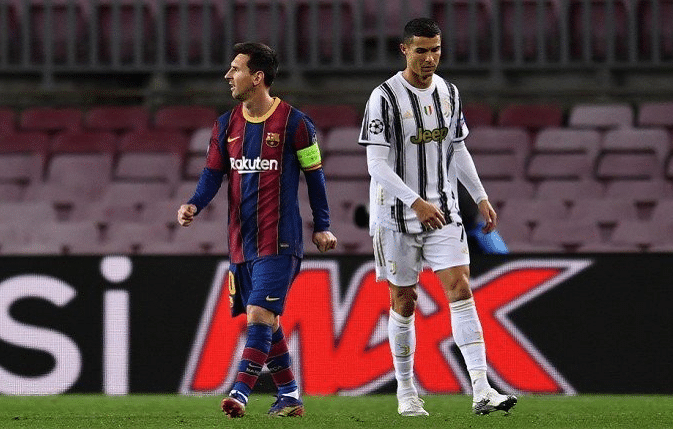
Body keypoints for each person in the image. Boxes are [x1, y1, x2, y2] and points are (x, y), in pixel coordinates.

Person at [358, 18, 517, 416]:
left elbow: (458, 148)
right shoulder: (384, 97)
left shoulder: (449, 92)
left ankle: (482, 389)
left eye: (436, 50)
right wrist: (415, 202)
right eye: (421, 50)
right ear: (404, 50)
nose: (429, 58)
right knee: (404, 301)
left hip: (443, 211)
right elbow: (376, 165)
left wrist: (480, 196)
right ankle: (406, 392)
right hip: (396, 216)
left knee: (461, 288)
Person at [178, 42, 337, 418]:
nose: (228, 76)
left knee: (259, 314)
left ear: (257, 77)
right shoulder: (225, 125)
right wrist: (194, 204)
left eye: (235, 69)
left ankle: (239, 392)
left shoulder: (296, 123)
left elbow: (315, 176)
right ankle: (290, 395)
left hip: (281, 240)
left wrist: (323, 225)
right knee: (269, 320)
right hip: (241, 242)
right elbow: (212, 174)